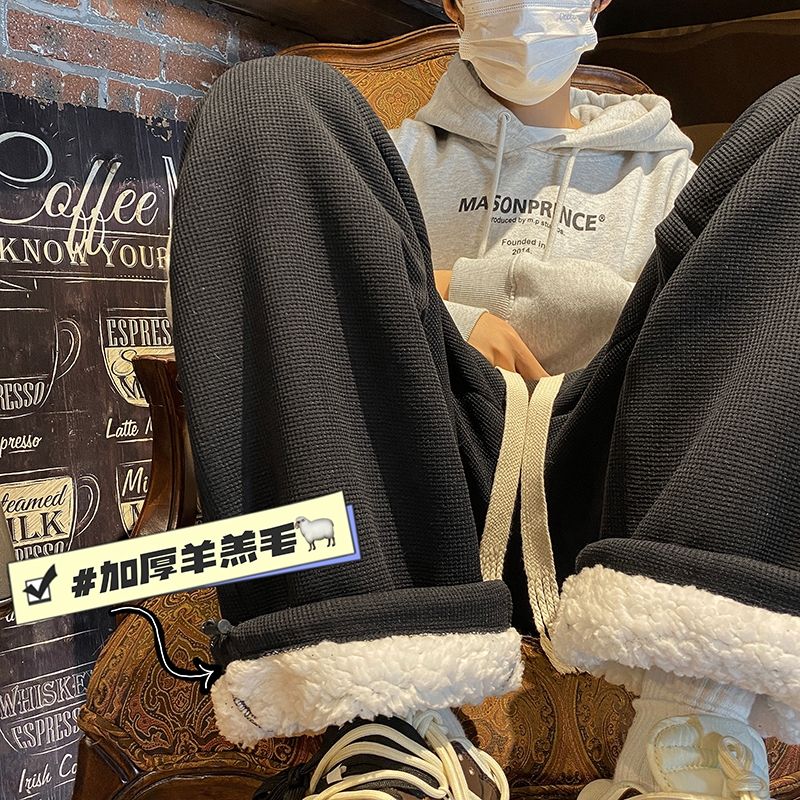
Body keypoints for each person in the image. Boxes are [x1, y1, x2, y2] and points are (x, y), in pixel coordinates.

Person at [388, 0, 695, 378]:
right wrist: (461, 324)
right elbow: (335, 303)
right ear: (453, 5)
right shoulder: (390, 160)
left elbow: (697, 341)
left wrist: (445, 290)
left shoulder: (672, 181)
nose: (523, 12)